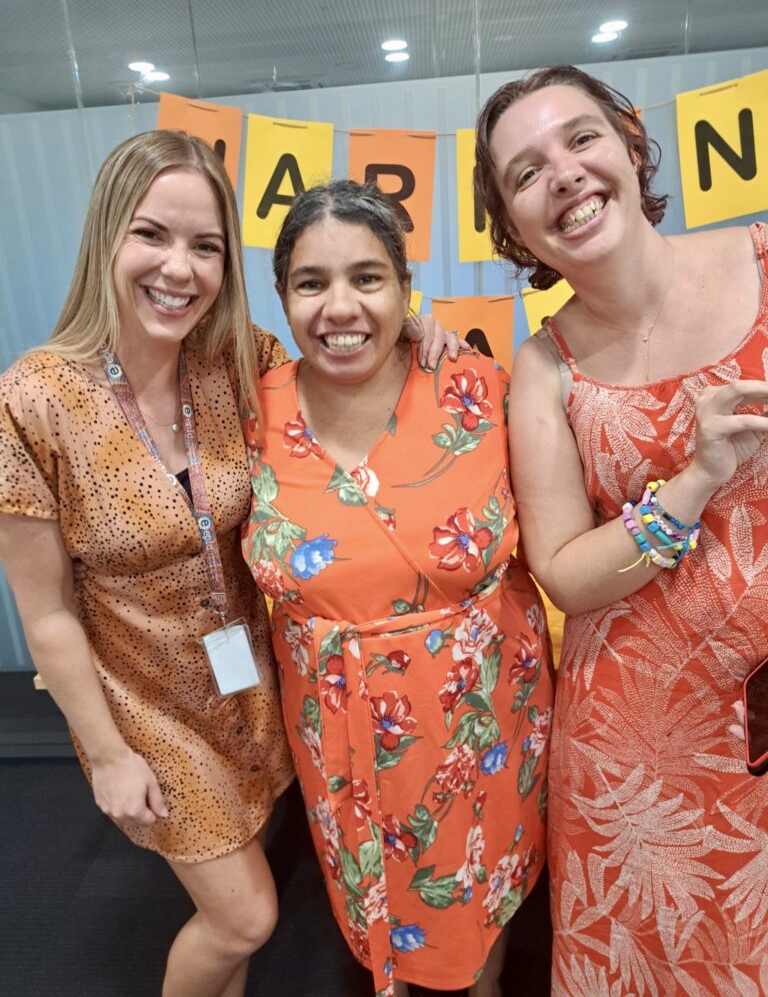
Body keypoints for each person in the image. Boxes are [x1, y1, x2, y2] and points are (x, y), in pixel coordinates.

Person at [0, 130, 456, 997]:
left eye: (205, 246)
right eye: (152, 235)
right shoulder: (34, 400)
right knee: (245, 915)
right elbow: (46, 613)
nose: (180, 267)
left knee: (240, 916)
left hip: (251, 682)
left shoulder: (235, 359)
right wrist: (107, 756)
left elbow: (343, 353)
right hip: (147, 706)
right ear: (106, 236)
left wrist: (413, 326)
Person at [474, 64, 768, 996]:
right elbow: (562, 571)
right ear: (511, 228)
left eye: (580, 139)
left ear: (631, 144)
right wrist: (693, 483)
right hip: (635, 750)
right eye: (524, 174)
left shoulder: (764, 261)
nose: (561, 173)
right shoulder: (541, 363)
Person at [242, 179, 554, 997]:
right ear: (282, 297)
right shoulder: (246, 413)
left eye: (368, 278)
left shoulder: (480, 392)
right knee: (372, 920)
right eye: (311, 282)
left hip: (482, 721)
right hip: (338, 729)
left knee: (477, 935)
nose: (339, 305)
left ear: (405, 289)